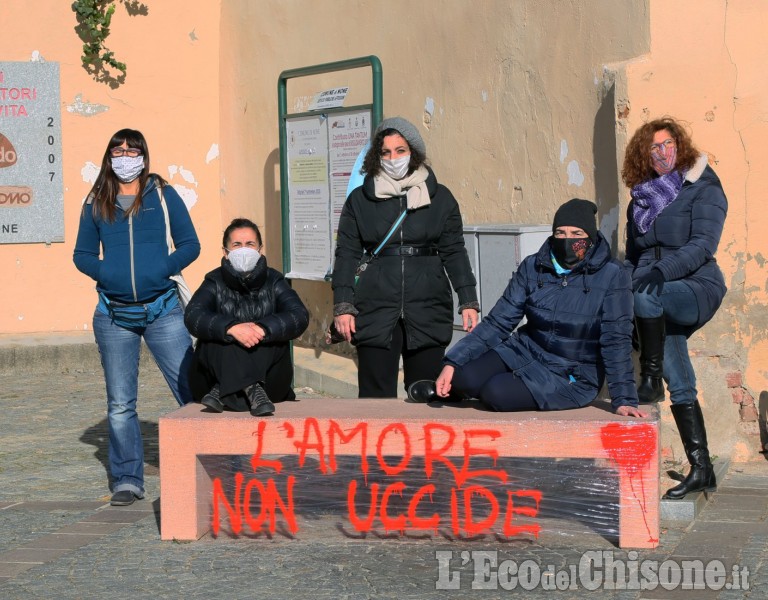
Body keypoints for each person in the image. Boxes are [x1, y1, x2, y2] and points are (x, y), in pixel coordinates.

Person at [419, 198, 645, 418]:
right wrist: (453, 361)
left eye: (577, 234)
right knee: (463, 377)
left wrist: (624, 398)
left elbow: (616, 339)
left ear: (591, 238)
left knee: (494, 393)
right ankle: (452, 389)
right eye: (561, 233)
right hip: (524, 350)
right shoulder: (533, 265)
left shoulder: (613, 275)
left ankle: (473, 392)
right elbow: (498, 322)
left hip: (570, 374)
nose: (567, 239)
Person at [73, 128, 200, 506]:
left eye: (133, 149)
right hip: (114, 316)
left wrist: (163, 267)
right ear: (109, 155)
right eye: (119, 149)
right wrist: (107, 273)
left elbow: (191, 244)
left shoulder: (162, 194)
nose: (126, 156)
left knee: (191, 392)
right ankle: (127, 479)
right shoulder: (97, 200)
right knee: (121, 404)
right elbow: (82, 255)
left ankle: (211, 463)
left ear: (144, 154)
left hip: (163, 310)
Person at [331, 116, 479, 398]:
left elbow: (454, 250)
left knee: (425, 396)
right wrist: (343, 305)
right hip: (374, 308)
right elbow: (346, 254)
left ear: (413, 152)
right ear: (377, 156)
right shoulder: (360, 200)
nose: (393, 158)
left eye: (400, 151)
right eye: (385, 152)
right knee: (375, 400)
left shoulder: (441, 198)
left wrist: (468, 299)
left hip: (428, 306)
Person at [622, 117, 727, 499]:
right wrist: (625, 281)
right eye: (653, 147)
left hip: (696, 285)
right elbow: (634, 255)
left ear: (679, 147)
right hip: (653, 290)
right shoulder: (642, 198)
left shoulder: (705, 189)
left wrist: (660, 272)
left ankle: (648, 380)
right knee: (680, 379)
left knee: (647, 297)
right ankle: (702, 469)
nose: (662, 152)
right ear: (644, 156)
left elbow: (702, 245)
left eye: (668, 144)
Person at [184, 218, 309, 416]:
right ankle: (252, 389)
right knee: (216, 334)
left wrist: (262, 329)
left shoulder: (274, 280)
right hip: (216, 381)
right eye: (237, 245)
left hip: (269, 382)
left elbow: (299, 315)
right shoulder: (213, 281)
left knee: (271, 336)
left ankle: (224, 391)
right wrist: (231, 328)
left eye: (250, 244)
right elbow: (193, 315)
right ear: (225, 251)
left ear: (260, 249)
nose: (244, 250)